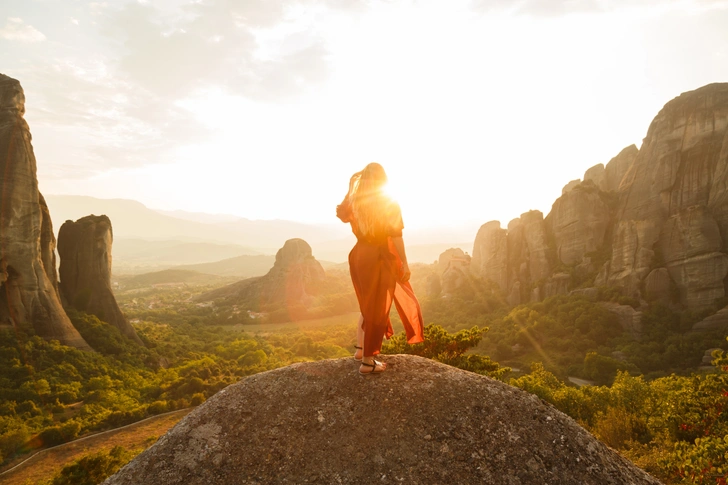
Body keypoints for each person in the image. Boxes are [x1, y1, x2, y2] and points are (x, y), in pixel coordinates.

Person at [336, 162, 424, 375]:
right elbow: (396, 236)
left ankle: (360, 350)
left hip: (358, 256)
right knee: (377, 308)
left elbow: (341, 213)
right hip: (378, 258)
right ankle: (367, 362)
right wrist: (404, 261)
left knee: (367, 304)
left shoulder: (356, 202)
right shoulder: (388, 203)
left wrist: (350, 186)